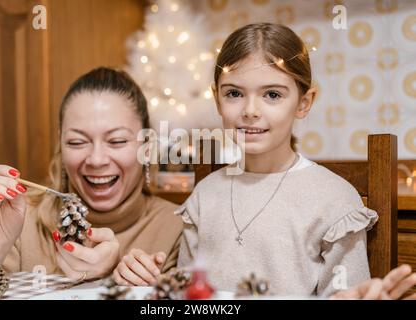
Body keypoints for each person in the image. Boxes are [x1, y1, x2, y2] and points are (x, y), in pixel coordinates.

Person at [169, 22, 415, 298]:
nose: (250, 111)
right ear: (217, 100)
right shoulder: (204, 196)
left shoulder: (335, 200)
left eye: (272, 94)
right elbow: (184, 295)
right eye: (234, 93)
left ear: (303, 102)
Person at [0, 67, 182, 284]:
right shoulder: (20, 219)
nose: (96, 160)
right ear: (61, 146)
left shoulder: (178, 227)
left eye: (117, 141)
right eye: (77, 142)